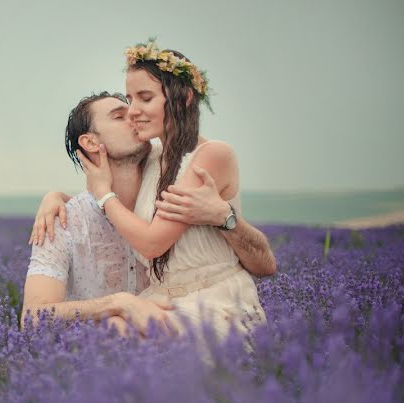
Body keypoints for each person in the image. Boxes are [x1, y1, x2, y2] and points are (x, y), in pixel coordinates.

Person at [22, 86, 275, 336]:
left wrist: (225, 217)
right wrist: (118, 303)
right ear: (90, 141)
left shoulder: (179, 195)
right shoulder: (63, 222)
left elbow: (265, 264)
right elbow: (32, 318)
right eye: (120, 116)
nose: (133, 115)